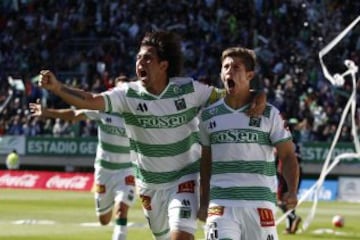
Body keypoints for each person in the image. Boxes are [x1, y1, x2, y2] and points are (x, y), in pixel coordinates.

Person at [37, 31, 266, 240]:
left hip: (184, 178)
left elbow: (231, 96)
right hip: (149, 185)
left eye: (147, 58)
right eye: (138, 58)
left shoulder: (188, 90)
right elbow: (90, 100)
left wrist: (257, 95)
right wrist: (58, 88)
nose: (140, 63)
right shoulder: (127, 94)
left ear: (164, 65)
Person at [197, 47, 299, 239]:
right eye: (226, 67)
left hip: (260, 203)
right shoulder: (208, 116)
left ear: (250, 74)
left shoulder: (269, 114)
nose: (229, 71)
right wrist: (204, 202)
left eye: (236, 67)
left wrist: (292, 191)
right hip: (221, 203)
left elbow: (287, 155)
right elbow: (205, 162)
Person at [29, 76, 135, 240]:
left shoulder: (138, 114)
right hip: (104, 170)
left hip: (126, 170)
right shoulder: (103, 108)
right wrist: (47, 112)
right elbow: (74, 114)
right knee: (104, 219)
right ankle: (112, 203)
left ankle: (120, 231)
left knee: (122, 209)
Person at [276, 118, 302, 234]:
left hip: (284, 172)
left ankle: (293, 218)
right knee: (289, 199)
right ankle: (290, 228)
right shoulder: (296, 142)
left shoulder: (282, 140)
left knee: (279, 201)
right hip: (296, 173)